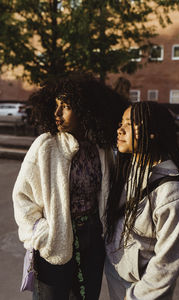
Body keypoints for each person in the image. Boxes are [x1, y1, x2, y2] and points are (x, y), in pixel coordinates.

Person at [12, 73, 127, 300]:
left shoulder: (101, 148)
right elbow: (21, 196)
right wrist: (41, 233)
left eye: (65, 107)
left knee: (87, 296)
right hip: (55, 241)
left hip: (92, 238)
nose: (57, 113)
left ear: (85, 109)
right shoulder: (46, 145)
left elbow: (112, 192)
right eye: (56, 106)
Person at [105, 101, 179, 300]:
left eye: (129, 124)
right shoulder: (129, 169)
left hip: (145, 291)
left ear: (153, 132)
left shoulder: (174, 193)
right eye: (121, 123)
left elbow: (167, 263)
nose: (120, 129)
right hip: (118, 277)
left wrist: (135, 296)